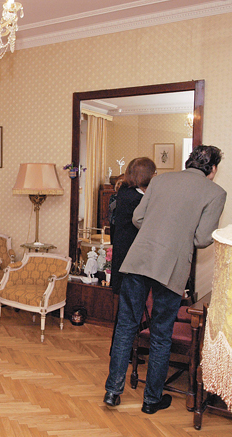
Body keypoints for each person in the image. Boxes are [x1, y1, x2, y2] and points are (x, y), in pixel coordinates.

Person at [103, 145, 226, 414]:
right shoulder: (216, 192)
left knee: (126, 327)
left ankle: (112, 392)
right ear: (213, 168)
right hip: (172, 267)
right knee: (161, 335)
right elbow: (202, 238)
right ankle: (151, 400)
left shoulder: (160, 180)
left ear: (189, 162)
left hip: (139, 259)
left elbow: (138, 217)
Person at [108, 158, 157, 358]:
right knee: (127, 311)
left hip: (126, 258)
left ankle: (124, 351)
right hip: (130, 261)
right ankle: (123, 352)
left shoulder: (125, 193)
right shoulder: (135, 199)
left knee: (127, 310)